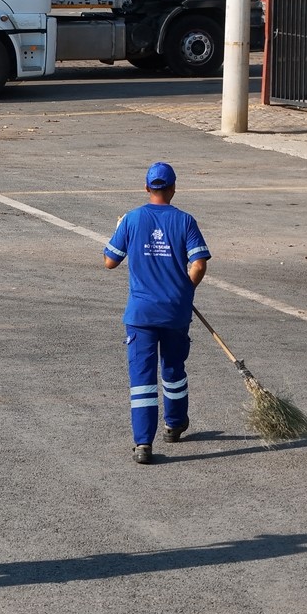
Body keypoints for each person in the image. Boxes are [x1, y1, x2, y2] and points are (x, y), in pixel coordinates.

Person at [103, 162, 210, 464]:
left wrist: (119, 227)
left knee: (142, 377)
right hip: (175, 311)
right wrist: (185, 291)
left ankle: (142, 444)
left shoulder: (132, 219)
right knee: (174, 370)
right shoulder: (186, 221)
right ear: (174, 189)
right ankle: (175, 424)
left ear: (146, 187)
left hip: (141, 314)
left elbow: (110, 261)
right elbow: (199, 264)